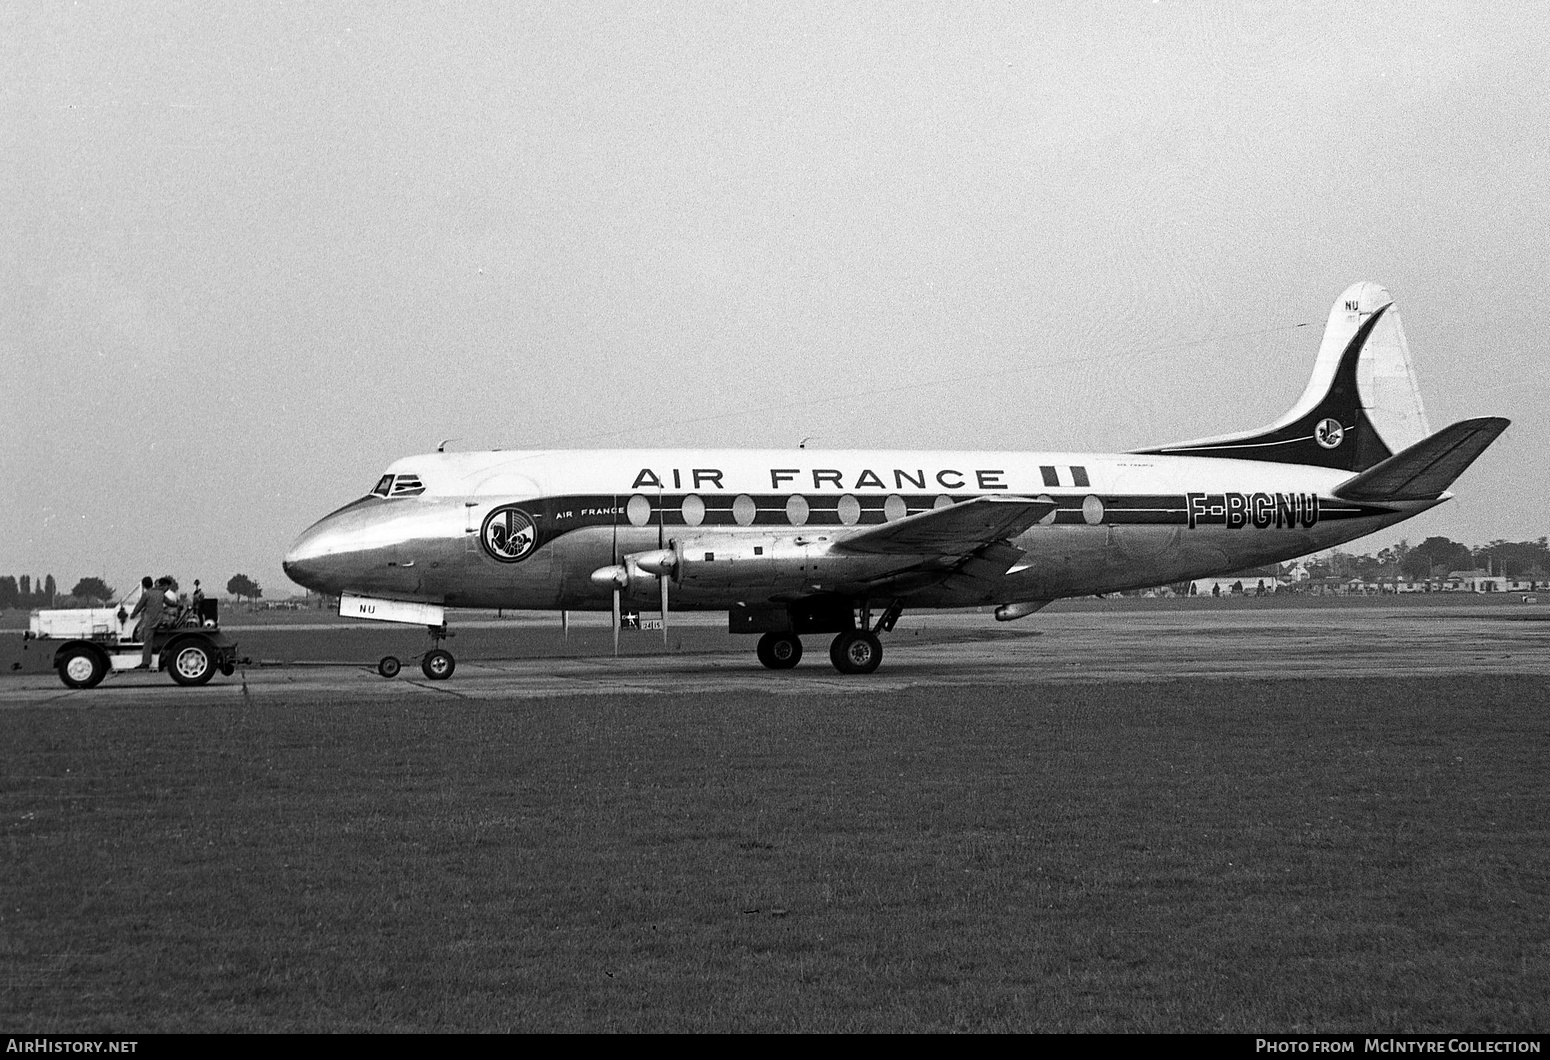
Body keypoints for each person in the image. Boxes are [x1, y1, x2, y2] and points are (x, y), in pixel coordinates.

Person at [129, 576, 164, 669]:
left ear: (144, 585)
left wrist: (132, 615)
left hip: (151, 621)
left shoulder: (146, 594)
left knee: (147, 641)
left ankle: (146, 662)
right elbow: (170, 603)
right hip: (160, 619)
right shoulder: (161, 593)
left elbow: (139, 606)